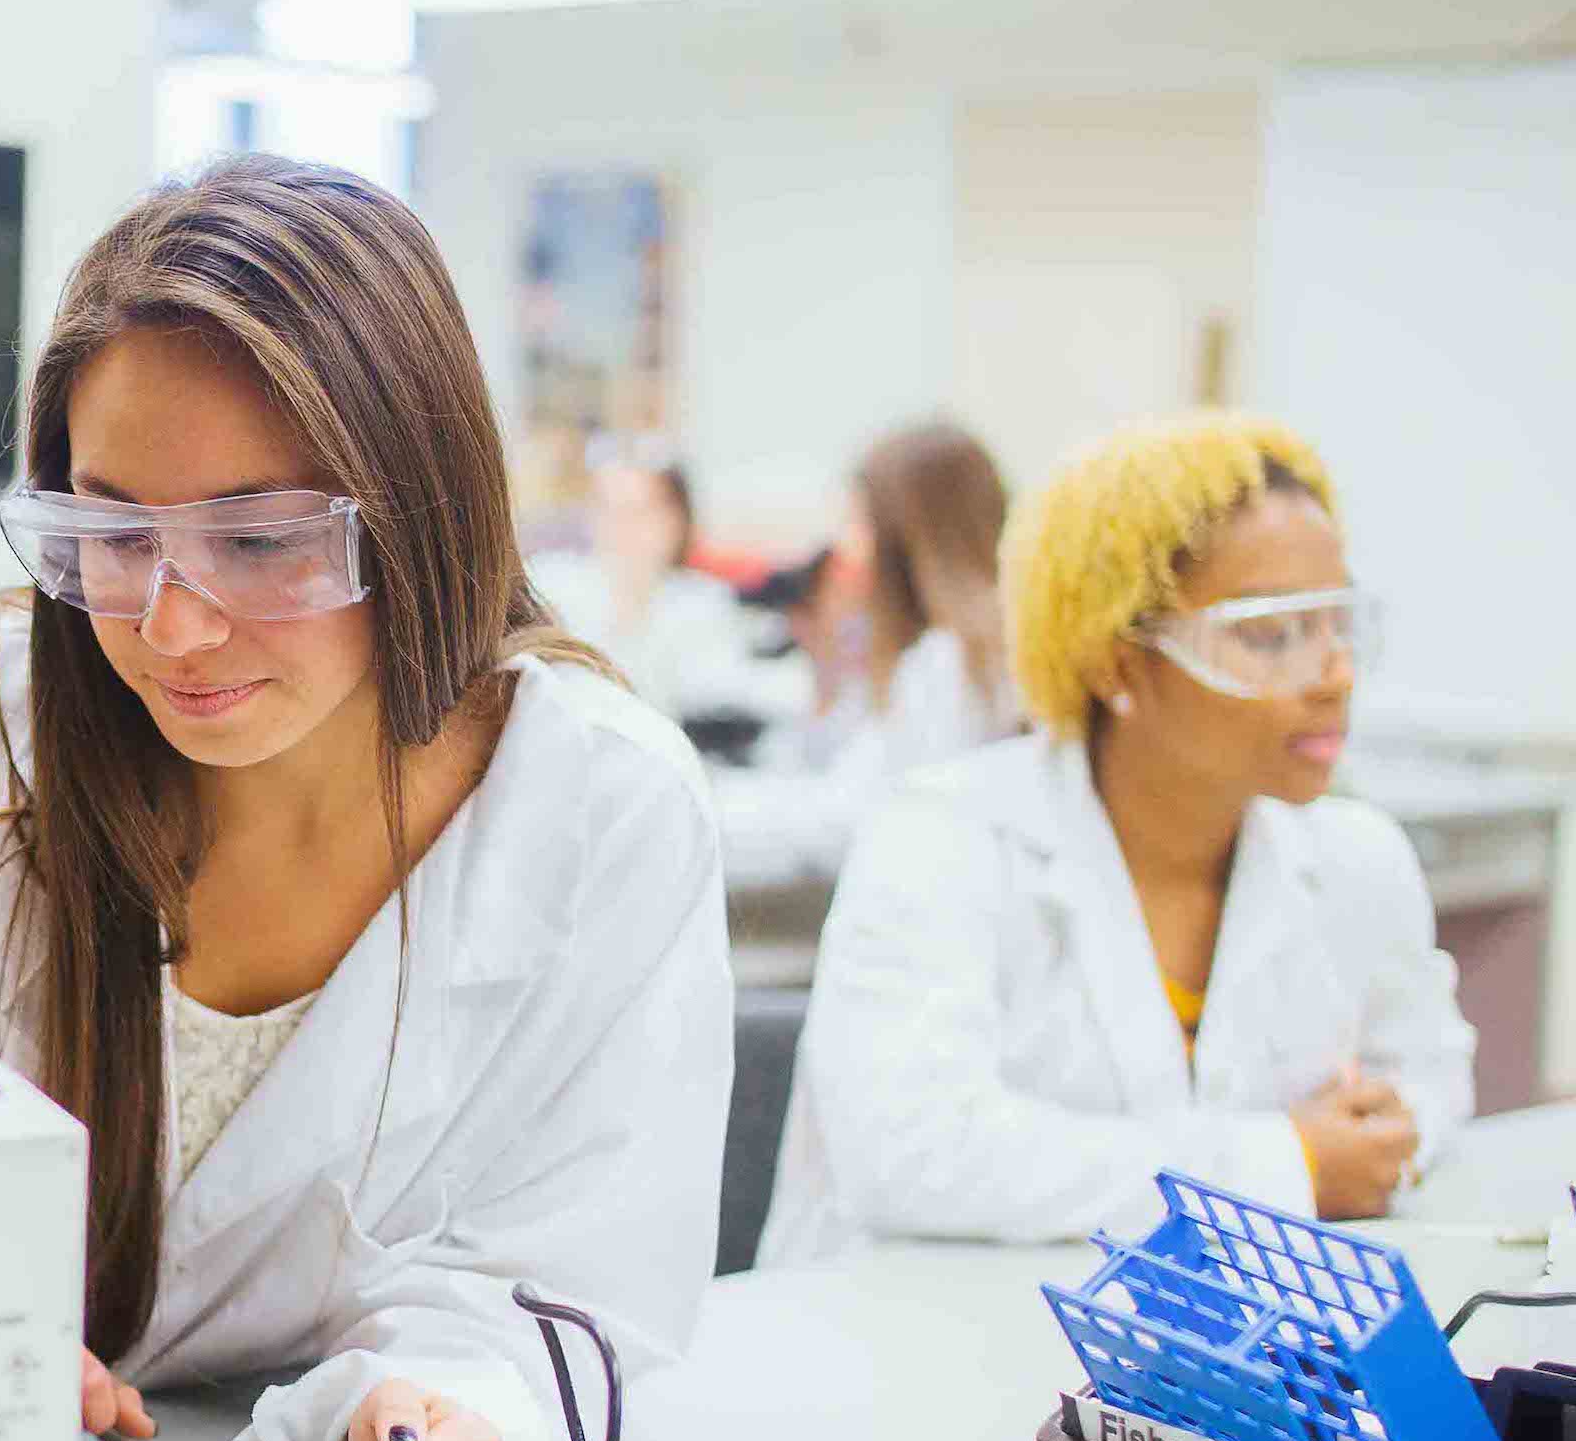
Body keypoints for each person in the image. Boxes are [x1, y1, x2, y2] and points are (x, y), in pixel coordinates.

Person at [0, 156, 731, 1441]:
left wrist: (445, 1423)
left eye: (257, 541)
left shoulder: (597, 806)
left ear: (417, 509)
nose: (173, 624)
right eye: (111, 534)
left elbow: (565, 1283)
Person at [757, 411, 1473, 1257]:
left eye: (1337, 624)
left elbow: (1429, 1070)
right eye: (1270, 633)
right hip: (901, 1345)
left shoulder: (1357, 858)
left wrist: (1390, 1131)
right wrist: (1282, 1163)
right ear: (1116, 662)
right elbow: (913, 1151)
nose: (1334, 676)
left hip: (1202, 1352)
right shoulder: (943, 838)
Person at [710, 421, 1021, 891]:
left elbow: (843, 823)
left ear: (909, 536)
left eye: (862, 525)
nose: (854, 549)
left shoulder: (948, 668)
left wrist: (695, 800)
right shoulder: (977, 656)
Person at [526, 444, 772, 720]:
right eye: (610, 509)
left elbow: (718, 698)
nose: (623, 526)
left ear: (677, 520)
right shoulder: (550, 583)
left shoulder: (703, 602)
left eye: (639, 511)